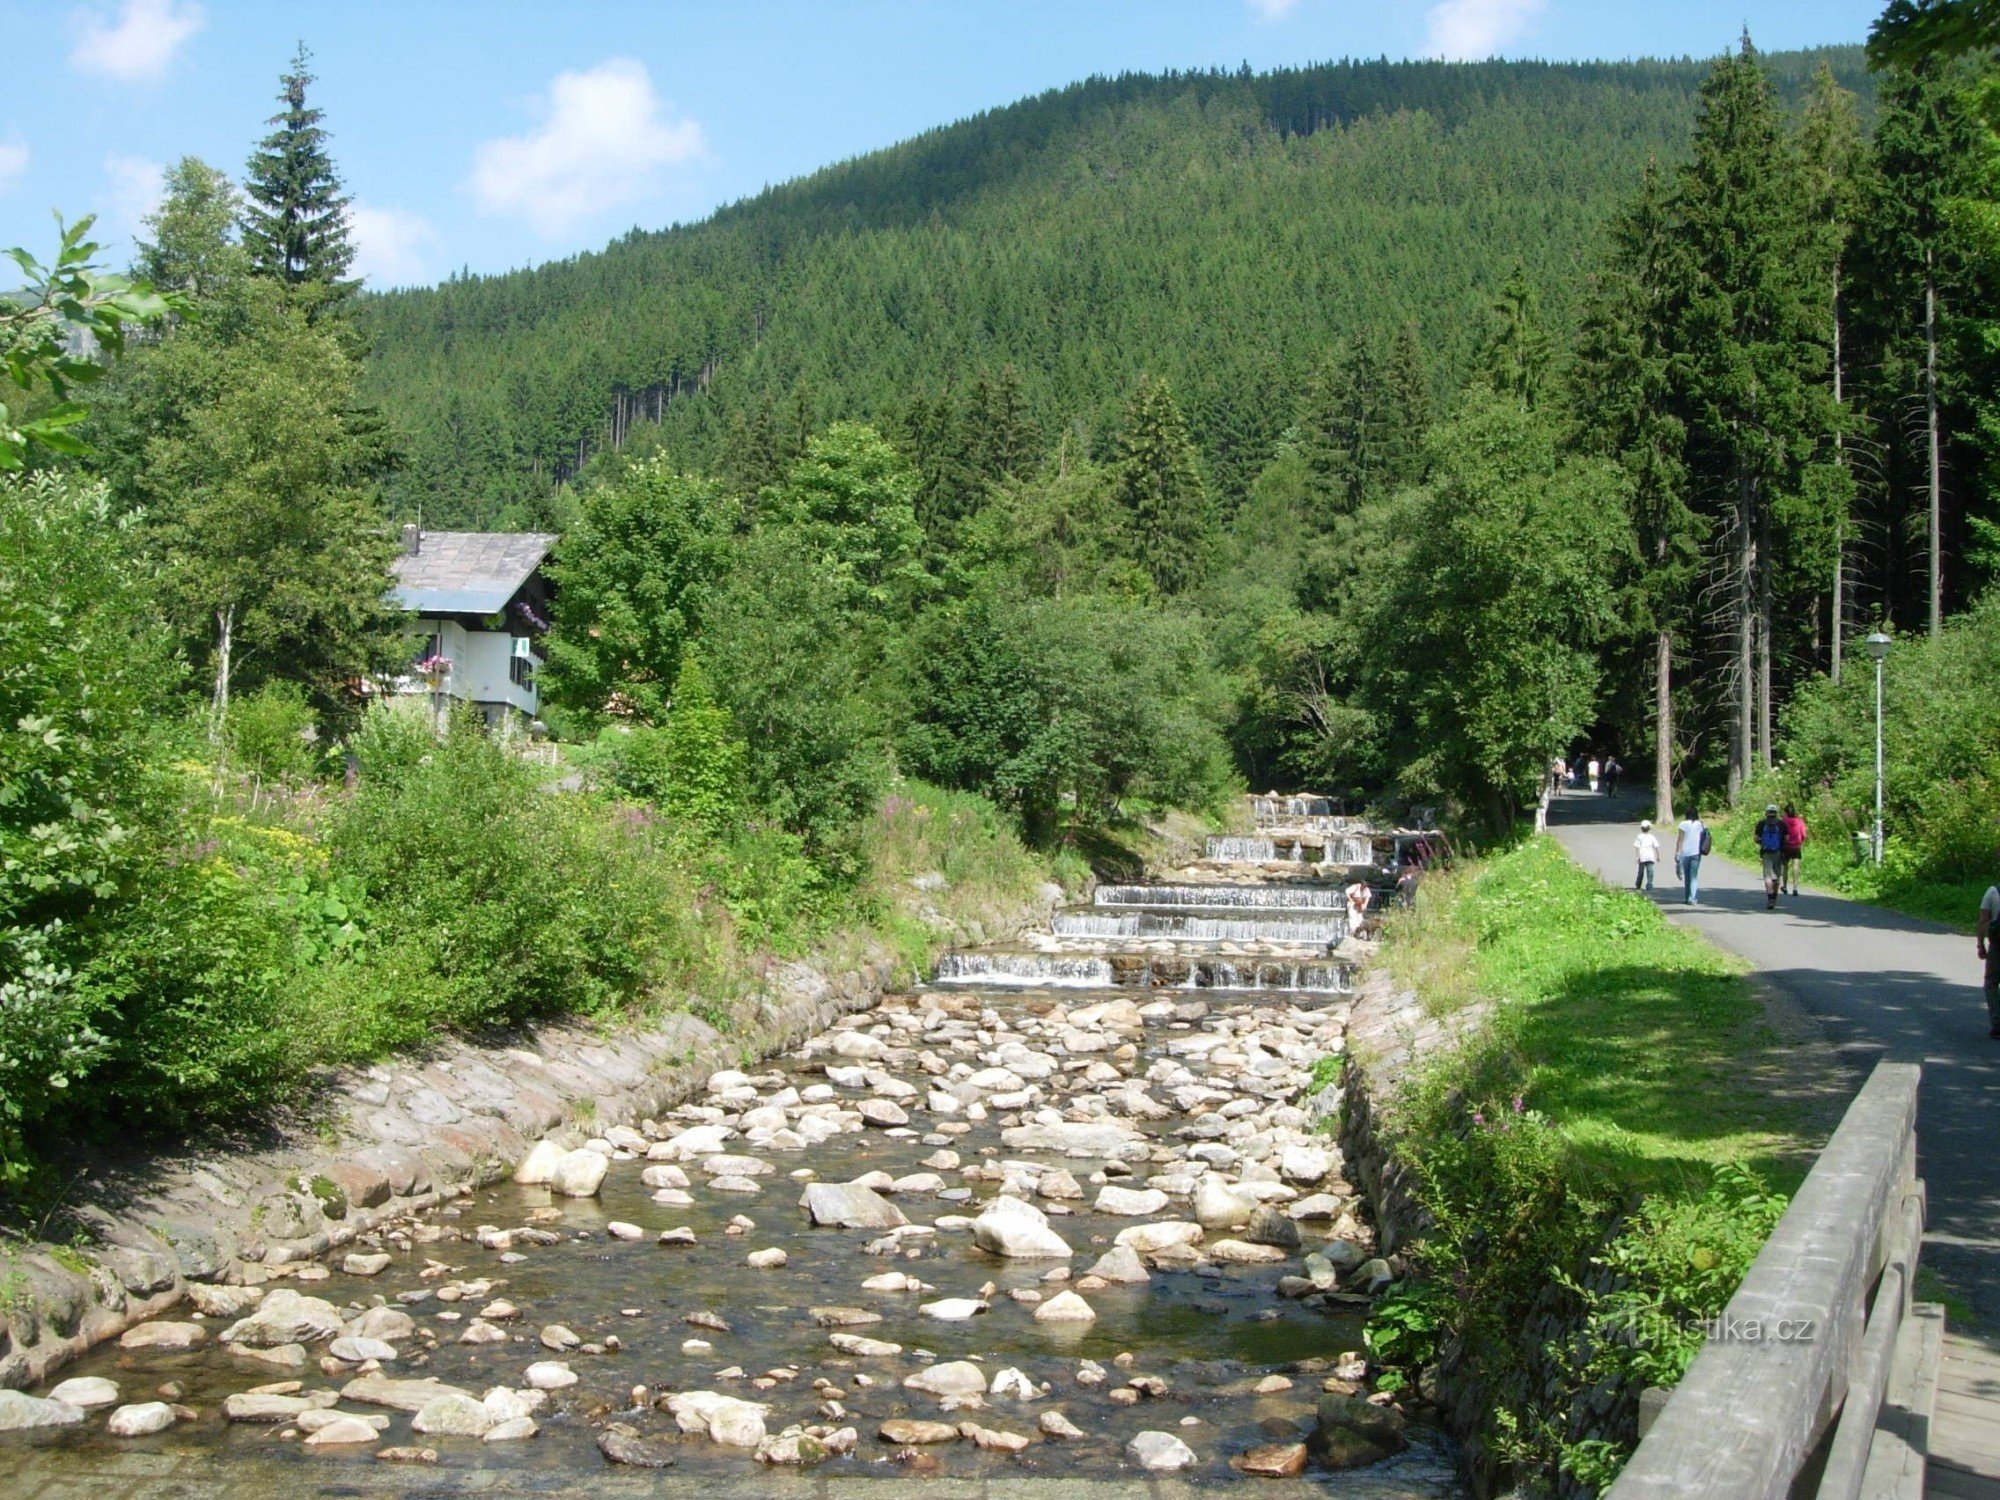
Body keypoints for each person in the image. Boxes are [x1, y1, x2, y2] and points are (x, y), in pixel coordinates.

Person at [1674, 807, 1708, 906]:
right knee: (1694, 876)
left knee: (1687, 876)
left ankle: (1686, 897)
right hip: (1696, 853)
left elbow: (1680, 840)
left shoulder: (1683, 824)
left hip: (1685, 853)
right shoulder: (1701, 824)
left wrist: (1677, 852)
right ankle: (1692, 898)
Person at [1754, 804, 1786, 910]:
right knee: (1776, 877)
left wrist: (1762, 842)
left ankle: (1770, 898)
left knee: (1767, 876)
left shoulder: (1761, 824)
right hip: (1779, 853)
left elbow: (1755, 839)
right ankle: (1774, 898)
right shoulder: (1782, 824)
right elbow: (1787, 839)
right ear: (1776, 813)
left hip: (1766, 853)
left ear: (1766, 812)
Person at [1979, 883, 2000, 1038]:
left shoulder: (1992, 892)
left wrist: (1980, 945)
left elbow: (1983, 920)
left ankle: (1997, 1022)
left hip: (1998, 945)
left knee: (1991, 982)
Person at [1780, 805, 1808, 897]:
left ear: (1786, 812)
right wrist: (1800, 842)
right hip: (1796, 847)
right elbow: (1804, 834)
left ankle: (1784, 886)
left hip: (1785, 847)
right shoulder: (1800, 821)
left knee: (1785, 867)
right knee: (1796, 867)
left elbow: (1780, 834)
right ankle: (1795, 888)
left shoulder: (1783, 821)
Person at [1634, 819, 1659, 891]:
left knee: (1641, 872)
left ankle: (1639, 884)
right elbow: (1656, 846)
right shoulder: (1651, 837)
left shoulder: (1639, 836)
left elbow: (1637, 847)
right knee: (1650, 872)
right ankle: (1649, 884)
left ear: (1641, 828)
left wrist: (1637, 856)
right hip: (1650, 856)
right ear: (1649, 828)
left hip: (1642, 856)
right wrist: (1658, 855)